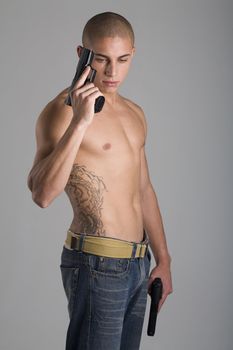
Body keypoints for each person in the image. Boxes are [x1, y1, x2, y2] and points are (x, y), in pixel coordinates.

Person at [27, 11, 173, 350]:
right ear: (83, 55)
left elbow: (143, 189)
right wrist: (80, 122)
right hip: (96, 264)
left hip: (139, 264)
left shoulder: (135, 113)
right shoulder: (60, 112)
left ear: (132, 55)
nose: (112, 71)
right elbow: (42, 194)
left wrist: (163, 260)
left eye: (122, 60)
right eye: (102, 59)